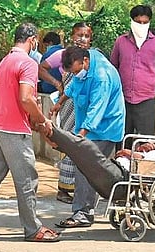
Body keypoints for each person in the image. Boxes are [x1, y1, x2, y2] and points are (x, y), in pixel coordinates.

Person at [0, 23, 60, 242]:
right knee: (27, 179)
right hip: (13, 129)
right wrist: (41, 119)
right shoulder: (27, 63)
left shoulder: (6, 60)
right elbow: (26, 98)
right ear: (33, 40)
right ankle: (33, 229)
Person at [54, 46, 125, 228]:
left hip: (104, 128)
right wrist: (60, 103)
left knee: (86, 167)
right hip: (88, 127)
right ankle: (88, 209)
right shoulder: (84, 66)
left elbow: (97, 109)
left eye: (76, 70)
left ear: (85, 62)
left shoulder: (102, 76)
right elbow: (74, 86)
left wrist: (80, 136)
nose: (75, 74)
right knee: (87, 167)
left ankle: (84, 213)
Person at [40, 125, 155, 201]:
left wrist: (129, 153)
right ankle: (57, 140)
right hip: (117, 171)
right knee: (83, 158)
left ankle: (53, 131)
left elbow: (145, 161)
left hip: (119, 177)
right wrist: (144, 149)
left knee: (87, 148)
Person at [39, 22, 94, 204]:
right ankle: (64, 188)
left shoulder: (91, 58)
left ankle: (80, 187)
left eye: (86, 36)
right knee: (71, 142)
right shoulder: (62, 55)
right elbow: (41, 68)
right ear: (72, 36)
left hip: (86, 106)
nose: (82, 39)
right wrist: (57, 84)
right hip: (69, 105)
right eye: (79, 35)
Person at [110, 4, 155, 147]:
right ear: (132, 21)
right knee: (122, 140)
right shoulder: (121, 42)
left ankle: (141, 169)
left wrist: (149, 80)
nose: (141, 25)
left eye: (145, 22)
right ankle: (120, 168)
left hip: (146, 100)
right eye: (138, 22)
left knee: (145, 142)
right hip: (123, 99)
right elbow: (113, 67)